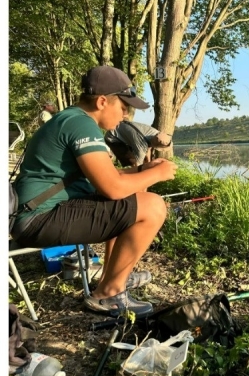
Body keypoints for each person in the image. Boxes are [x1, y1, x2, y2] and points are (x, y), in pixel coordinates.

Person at [10, 65, 178, 317]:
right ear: (102, 101)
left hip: (36, 212)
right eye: (124, 108)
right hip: (37, 219)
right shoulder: (81, 125)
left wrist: (144, 169)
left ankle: (114, 279)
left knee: (130, 200)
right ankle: (109, 294)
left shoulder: (69, 118)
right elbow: (112, 188)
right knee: (152, 206)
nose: (125, 116)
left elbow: (108, 176)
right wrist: (157, 174)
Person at [105, 117, 173, 167]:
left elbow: (149, 147)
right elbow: (138, 165)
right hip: (113, 138)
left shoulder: (154, 133)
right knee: (132, 161)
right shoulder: (141, 146)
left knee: (144, 160)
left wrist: (149, 162)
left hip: (123, 132)